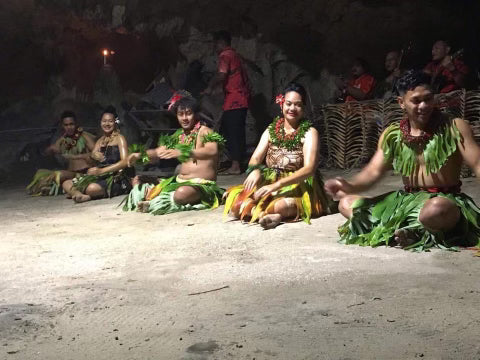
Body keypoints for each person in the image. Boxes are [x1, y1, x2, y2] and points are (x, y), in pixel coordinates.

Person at [324, 70, 480, 251]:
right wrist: (348, 186)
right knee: (346, 203)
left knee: (436, 209)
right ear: (401, 103)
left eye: (428, 99)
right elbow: (373, 172)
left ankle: (409, 230)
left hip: (444, 200)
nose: (423, 106)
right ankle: (411, 230)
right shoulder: (393, 134)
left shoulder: (454, 127)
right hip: (405, 201)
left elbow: (477, 163)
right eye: (416, 101)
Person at [223, 83, 335, 229]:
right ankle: (266, 216)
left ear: (304, 108)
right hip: (270, 180)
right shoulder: (271, 130)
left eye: (298, 105)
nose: (292, 109)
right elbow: (255, 158)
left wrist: (277, 185)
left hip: (298, 184)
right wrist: (255, 170)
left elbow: (309, 169)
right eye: (288, 104)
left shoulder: (310, 133)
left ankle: (272, 213)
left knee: (281, 205)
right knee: (235, 203)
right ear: (281, 104)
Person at [123, 94, 225, 215]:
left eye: (188, 113)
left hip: (201, 185)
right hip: (178, 181)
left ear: (196, 115)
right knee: (138, 180)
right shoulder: (179, 135)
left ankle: (155, 200)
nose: (184, 118)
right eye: (180, 114)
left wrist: (183, 152)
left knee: (181, 194)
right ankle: (155, 197)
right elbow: (158, 151)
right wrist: (139, 155)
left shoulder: (205, 131)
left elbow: (212, 151)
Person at [202, 30, 250, 175]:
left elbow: (222, 75)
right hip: (241, 98)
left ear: (220, 42)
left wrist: (209, 88)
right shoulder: (235, 55)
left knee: (231, 132)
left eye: (215, 44)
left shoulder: (225, 55)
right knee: (237, 132)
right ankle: (237, 163)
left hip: (234, 100)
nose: (214, 47)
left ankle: (235, 166)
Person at [62, 106, 132, 203]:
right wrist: (93, 156)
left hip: (116, 177)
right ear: (100, 122)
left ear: (115, 122)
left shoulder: (120, 138)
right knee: (66, 183)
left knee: (92, 188)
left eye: (110, 121)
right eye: (104, 121)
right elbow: (91, 162)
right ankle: (78, 194)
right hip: (100, 177)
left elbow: (125, 162)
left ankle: (84, 194)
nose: (107, 124)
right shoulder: (99, 141)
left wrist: (101, 171)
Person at [26, 111, 95, 196]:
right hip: (70, 172)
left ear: (76, 124)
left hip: (84, 172)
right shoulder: (63, 140)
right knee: (41, 173)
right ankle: (46, 187)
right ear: (62, 126)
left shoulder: (84, 136)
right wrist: (49, 150)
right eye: (66, 125)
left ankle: (49, 187)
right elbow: (50, 151)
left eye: (71, 124)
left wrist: (74, 157)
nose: (69, 127)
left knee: (59, 174)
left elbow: (96, 154)